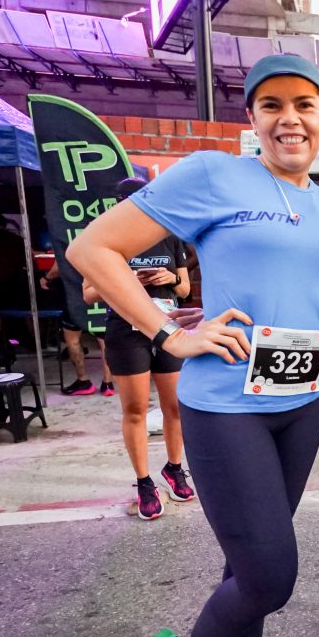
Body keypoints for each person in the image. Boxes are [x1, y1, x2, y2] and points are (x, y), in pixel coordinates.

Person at [67, 53, 319, 637]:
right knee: (271, 578)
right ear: (252, 117)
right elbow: (92, 249)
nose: (290, 119)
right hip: (228, 408)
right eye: (272, 105)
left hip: (304, 406)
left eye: (304, 105)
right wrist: (169, 332)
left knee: (244, 567)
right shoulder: (213, 173)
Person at [80, 177, 194, 520]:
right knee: (135, 410)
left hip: (167, 325)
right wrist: (126, 282)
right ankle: (144, 482)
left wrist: (169, 279)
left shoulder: (168, 234)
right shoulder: (105, 237)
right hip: (125, 329)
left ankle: (174, 468)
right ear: (118, 204)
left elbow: (186, 289)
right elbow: (88, 293)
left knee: (175, 406)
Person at [40, 260, 115, 396]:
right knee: (104, 339)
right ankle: (108, 383)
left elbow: (58, 267)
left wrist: (46, 278)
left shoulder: (66, 239)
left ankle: (83, 380)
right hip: (99, 291)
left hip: (74, 295)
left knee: (72, 338)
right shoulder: (101, 240)